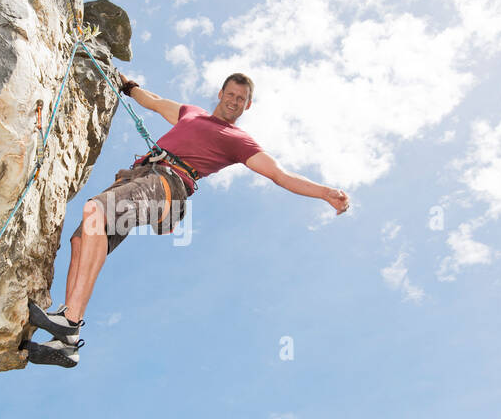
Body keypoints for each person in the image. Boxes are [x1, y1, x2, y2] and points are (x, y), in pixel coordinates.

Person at [24, 72, 349, 367]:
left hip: (168, 185)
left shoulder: (237, 140)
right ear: (221, 93)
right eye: (231, 95)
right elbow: (153, 102)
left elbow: (278, 174)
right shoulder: (191, 113)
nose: (234, 102)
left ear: (247, 106)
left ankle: (70, 319)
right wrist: (128, 85)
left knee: (95, 211)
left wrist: (324, 193)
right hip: (136, 179)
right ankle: (66, 342)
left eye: (241, 99)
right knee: (83, 237)